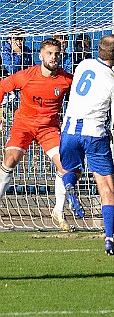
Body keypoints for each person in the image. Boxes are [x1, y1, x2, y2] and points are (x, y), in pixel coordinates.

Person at [59, 34, 114, 255]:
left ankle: (69, 185)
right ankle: (108, 238)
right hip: (94, 133)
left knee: (72, 170)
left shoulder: (83, 65)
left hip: (68, 130)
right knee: (106, 187)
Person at [0, 38, 73, 231]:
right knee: (10, 160)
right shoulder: (25, 76)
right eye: (49, 53)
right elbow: (2, 87)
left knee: (64, 165)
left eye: (56, 53)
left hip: (48, 129)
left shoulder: (66, 79)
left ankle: (58, 211)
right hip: (23, 124)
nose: (53, 57)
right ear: (40, 55)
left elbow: (81, 98)